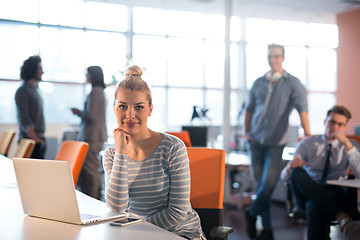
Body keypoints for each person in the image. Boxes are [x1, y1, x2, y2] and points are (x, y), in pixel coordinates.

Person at [103, 77, 205, 240]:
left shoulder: (172, 147)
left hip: (179, 232)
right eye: (122, 106)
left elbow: (177, 213)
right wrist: (121, 154)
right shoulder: (111, 154)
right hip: (138, 233)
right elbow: (117, 207)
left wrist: (137, 231)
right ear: (114, 108)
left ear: (150, 110)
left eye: (139, 107)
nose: (130, 115)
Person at [244, 44, 310, 240]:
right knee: (260, 185)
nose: (273, 60)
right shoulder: (258, 83)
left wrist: (307, 133)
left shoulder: (293, 83)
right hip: (254, 141)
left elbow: (302, 109)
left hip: (275, 143)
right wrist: (246, 132)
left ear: (283, 58)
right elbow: (249, 110)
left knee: (268, 184)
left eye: (277, 56)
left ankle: (251, 213)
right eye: (270, 56)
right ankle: (267, 229)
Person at [281, 105, 360, 240]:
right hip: (307, 190)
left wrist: (347, 144)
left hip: (334, 191)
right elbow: (284, 178)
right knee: (296, 172)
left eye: (340, 124)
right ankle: (340, 214)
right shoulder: (307, 144)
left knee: (314, 206)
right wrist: (290, 166)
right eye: (332, 122)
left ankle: (337, 214)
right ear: (325, 122)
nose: (334, 127)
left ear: (345, 127)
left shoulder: (350, 145)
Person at [71, 66, 107, 200]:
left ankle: (93, 199)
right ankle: (92, 198)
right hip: (95, 135)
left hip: (92, 136)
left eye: (88, 74)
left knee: (91, 171)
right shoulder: (99, 91)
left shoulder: (95, 92)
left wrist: (78, 112)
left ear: (93, 75)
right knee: (90, 169)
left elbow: (91, 115)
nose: (86, 77)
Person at [15, 55, 46, 159]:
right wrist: (35, 138)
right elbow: (24, 118)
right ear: (33, 70)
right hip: (30, 141)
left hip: (37, 139)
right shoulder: (23, 91)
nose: (42, 72)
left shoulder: (35, 90)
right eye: (40, 69)